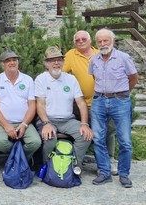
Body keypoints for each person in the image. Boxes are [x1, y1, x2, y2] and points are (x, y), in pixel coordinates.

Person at [63, 30, 117, 174]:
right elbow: (60, 75)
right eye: (78, 40)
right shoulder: (70, 55)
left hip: (104, 101)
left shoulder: (100, 53)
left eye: (84, 39)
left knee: (109, 131)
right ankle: (96, 163)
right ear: (74, 42)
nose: (81, 41)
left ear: (90, 41)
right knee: (94, 133)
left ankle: (108, 161)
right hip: (80, 105)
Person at [89, 28, 138, 187]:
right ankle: (104, 172)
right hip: (99, 100)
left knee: (125, 140)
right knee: (98, 138)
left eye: (106, 41)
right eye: (100, 41)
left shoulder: (124, 58)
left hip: (120, 101)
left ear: (113, 41)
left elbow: (133, 77)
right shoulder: (94, 60)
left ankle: (124, 174)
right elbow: (95, 78)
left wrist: (122, 93)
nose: (103, 44)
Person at [35, 46, 93, 167]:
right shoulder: (41, 79)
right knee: (49, 139)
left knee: (85, 137)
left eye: (59, 60)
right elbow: (39, 103)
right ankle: (48, 168)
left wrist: (84, 124)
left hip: (68, 120)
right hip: (47, 119)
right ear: (46, 63)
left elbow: (81, 103)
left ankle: (72, 166)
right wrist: (46, 123)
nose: (56, 63)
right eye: (52, 60)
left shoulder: (71, 79)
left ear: (63, 62)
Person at [0, 50, 41, 161]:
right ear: (2, 64)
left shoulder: (28, 80)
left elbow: (32, 105)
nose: (12, 62)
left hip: (23, 121)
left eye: (14, 60)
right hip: (2, 122)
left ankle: (16, 161)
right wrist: (6, 126)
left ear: (18, 62)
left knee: (35, 142)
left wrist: (24, 124)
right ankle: (22, 160)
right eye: (8, 61)